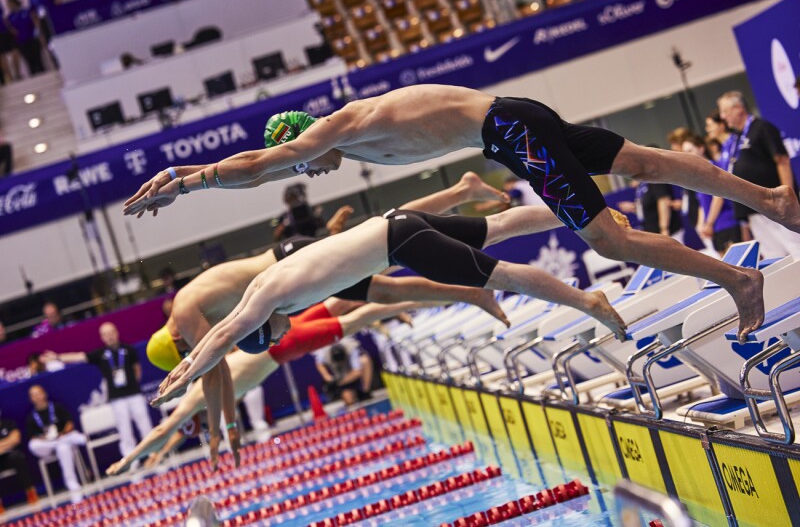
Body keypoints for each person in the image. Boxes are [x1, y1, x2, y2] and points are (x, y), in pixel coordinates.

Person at [124, 85, 800, 342]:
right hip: (518, 114)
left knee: (612, 242)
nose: (310, 171)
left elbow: (255, 166)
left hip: (511, 134)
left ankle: (737, 280)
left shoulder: (332, 128)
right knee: (646, 164)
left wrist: (187, 182)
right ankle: (771, 200)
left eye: (301, 162)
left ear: (297, 139)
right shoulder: (356, 127)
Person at [152, 203, 630, 408]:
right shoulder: (263, 288)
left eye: (277, 334)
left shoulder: (267, 301)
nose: (285, 332)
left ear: (263, 328)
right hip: (397, 222)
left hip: (401, 244)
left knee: (502, 273)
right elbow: (227, 331)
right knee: (498, 225)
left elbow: (222, 336)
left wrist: (185, 374)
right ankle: (586, 213)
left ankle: (586, 300)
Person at [107, 299, 431, 475]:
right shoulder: (208, 372)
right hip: (277, 341)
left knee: (350, 321)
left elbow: (163, 432)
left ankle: (396, 306)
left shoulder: (198, 398)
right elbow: (168, 434)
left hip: (280, 348)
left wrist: (128, 460)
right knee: (337, 303)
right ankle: (392, 298)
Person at [44, 323, 154, 469]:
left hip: (134, 394)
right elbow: (79, 356)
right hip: (116, 398)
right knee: (124, 430)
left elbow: (137, 370)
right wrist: (57, 357)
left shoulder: (128, 349)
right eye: (106, 334)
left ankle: (154, 454)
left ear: (116, 332)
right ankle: (131, 461)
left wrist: (134, 384)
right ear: (102, 337)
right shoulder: (101, 354)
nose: (109, 336)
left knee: (145, 425)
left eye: (111, 332)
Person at [717, 90, 800, 259]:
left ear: (739, 108)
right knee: (774, 256)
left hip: (775, 204)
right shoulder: (736, 139)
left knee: (795, 246)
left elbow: (782, 161)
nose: (723, 117)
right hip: (754, 208)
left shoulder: (762, 128)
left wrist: (787, 196)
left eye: (725, 112)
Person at [682, 134, 741, 256]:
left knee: (741, 263)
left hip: (727, 223)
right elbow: (702, 204)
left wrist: (709, 223)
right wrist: (701, 225)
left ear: (701, 148)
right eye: (685, 152)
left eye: (690, 150)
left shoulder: (712, 167)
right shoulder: (697, 175)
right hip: (716, 228)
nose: (687, 155)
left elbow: (718, 198)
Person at [26, 385, 86, 503]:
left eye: (39, 393)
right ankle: (64, 441)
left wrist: (63, 433)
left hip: (62, 438)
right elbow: (33, 436)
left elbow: (69, 423)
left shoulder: (57, 407)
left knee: (64, 447)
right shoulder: (31, 417)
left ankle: (71, 482)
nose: (37, 397)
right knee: (33, 445)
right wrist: (44, 438)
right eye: (34, 395)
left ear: (44, 393)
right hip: (47, 445)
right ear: (31, 398)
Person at [0, 409, 38, 512]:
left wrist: (2, 446)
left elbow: (15, 439)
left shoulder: (9, 423)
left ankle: (30, 492)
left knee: (18, 458)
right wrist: (7, 443)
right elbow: (10, 441)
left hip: (10, 456)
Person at [314, 337, 371, 405]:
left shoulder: (351, 347)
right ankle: (344, 394)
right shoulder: (323, 351)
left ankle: (364, 392)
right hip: (339, 374)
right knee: (348, 399)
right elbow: (319, 364)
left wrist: (338, 383)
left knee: (364, 360)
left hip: (351, 374)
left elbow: (357, 371)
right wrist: (327, 376)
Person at [5, 0, 44, 77]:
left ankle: (43, 73)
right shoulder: (10, 17)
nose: (9, 6)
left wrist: (38, 33)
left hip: (32, 38)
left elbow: (35, 21)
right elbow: (10, 28)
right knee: (29, 62)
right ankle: (34, 76)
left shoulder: (26, 11)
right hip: (21, 41)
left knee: (38, 59)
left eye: (10, 4)